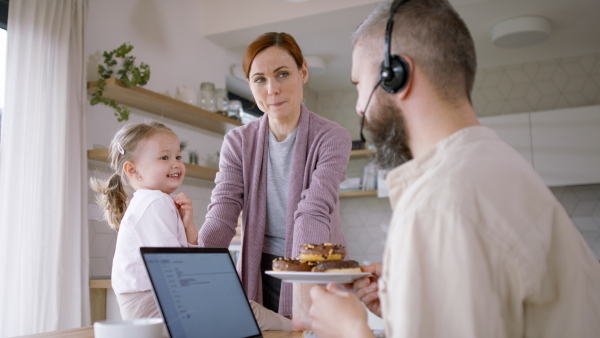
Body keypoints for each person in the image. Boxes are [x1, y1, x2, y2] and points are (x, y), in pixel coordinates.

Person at [308, 0, 600, 337]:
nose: (359, 108)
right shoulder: (497, 166)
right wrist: (408, 303)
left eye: (359, 85)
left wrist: (348, 331)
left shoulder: (438, 205)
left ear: (396, 76)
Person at [198, 32, 351, 329]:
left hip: (314, 267)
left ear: (303, 73)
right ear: (250, 86)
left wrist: (302, 279)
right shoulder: (237, 142)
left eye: (282, 74)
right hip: (261, 269)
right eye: (260, 79)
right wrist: (193, 263)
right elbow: (223, 210)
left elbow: (314, 209)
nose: (273, 89)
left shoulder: (332, 137)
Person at [90, 121, 199, 320]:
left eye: (178, 156)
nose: (176, 163)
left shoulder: (155, 201)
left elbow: (181, 263)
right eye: (164, 157)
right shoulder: (155, 201)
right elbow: (175, 267)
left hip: (148, 302)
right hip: (152, 303)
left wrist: (188, 226)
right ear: (133, 170)